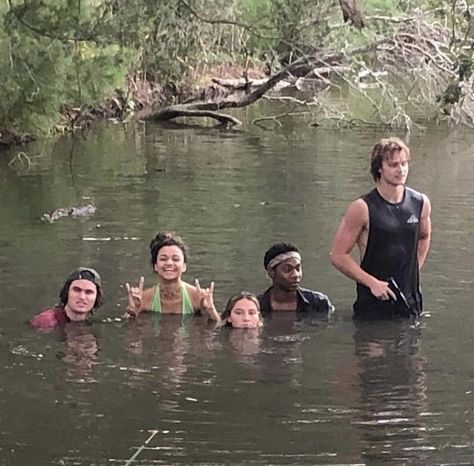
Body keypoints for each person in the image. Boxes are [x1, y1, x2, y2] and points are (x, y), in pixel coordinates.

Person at [330, 137, 432, 319]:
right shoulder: (362, 208)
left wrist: (414, 269)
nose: (401, 170)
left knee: (411, 344)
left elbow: (424, 236)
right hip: (373, 303)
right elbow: (338, 255)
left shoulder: (421, 203)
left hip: (410, 301)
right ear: (379, 168)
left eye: (404, 164)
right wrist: (372, 283)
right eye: (393, 165)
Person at [125, 231, 220, 321]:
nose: (169, 263)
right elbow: (128, 330)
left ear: (184, 266)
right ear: (156, 266)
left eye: (175, 259)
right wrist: (133, 310)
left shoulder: (197, 297)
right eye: (163, 259)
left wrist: (210, 310)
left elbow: (217, 327)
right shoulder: (144, 299)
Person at [258, 242, 334, 314]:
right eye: (287, 270)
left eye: (298, 268)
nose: (296, 275)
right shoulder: (256, 306)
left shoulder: (319, 303)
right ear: (272, 272)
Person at [31, 267, 103, 329]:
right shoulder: (47, 321)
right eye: (76, 290)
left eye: (89, 292)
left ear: (97, 297)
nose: (82, 297)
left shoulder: (91, 322)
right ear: (67, 292)